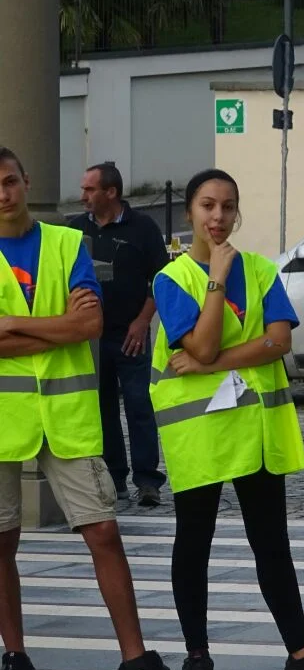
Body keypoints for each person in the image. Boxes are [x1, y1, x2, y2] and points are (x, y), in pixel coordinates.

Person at [150, 168, 304, 670]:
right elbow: (197, 345)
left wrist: (209, 362)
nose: (218, 217)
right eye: (207, 206)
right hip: (200, 433)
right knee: (193, 542)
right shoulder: (172, 279)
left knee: (272, 542)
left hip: (256, 429)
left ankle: (302, 653)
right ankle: (197, 655)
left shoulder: (263, 270)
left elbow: (279, 341)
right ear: (190, 214)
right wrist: (217, 281)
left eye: (227, 206)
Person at [0, 146, 191, 670]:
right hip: (5, 420)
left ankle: (134, 663)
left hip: (69, 418)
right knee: (1, 544)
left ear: (25, 181)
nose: (3, 193)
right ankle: (16, 660)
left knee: (104, 534)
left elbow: (91, 322)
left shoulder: (64, 242)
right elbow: (73, 324)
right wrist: (56, 325)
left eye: (10, 181)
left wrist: (12, 324)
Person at [74, 163, 169, 507]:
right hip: (91, 339)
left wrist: (143, 321)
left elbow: (161, 280)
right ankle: (113, 478)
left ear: (110, 192)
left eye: (89, 190)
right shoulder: (74, 230)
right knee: (101, 409)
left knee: (139, 404)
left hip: (131, 334)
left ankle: (147, 480)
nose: (82, 195)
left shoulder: (142, 228)